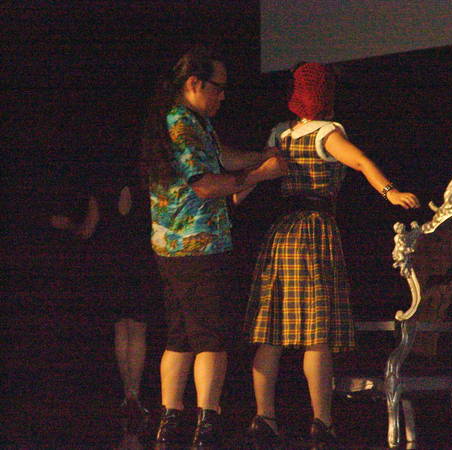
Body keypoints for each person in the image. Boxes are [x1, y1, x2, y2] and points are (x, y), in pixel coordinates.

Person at [243, 62, 420, 448]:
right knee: (316, 334)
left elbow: (254, 175)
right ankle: (321, 421)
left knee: (271, 332)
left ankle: (264, 418)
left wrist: (238, 190)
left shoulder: (281, 133)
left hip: (281, 235)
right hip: (314, 233)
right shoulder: (326, 132)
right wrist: (390, 192)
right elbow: (360, 161)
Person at [139, 44, 287, 448]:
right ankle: (207, 420)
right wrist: (262, 174)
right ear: (194, 83)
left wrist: (259, 157)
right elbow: (205, 185)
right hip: (199, 245)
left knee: (180, 337)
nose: (223, 96)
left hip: (171, 247)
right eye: (217, 88)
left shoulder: (190, 120)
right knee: (211, 338)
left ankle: (170, 420)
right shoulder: (182, 125)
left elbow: (222, 157)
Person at [50, 161, 160, 431]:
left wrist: (68, 226)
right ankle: (135, 395)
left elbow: (87, 230)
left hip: (113, 264)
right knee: (138, 330)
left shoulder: (100, 189)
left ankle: (128, 394)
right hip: (142, 262)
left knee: (121, 329)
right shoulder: (150, 186)